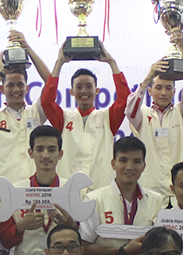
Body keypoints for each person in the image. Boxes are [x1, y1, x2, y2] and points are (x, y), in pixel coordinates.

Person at [79, 136, 165, 255]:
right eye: (123, 160)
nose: (129, 167)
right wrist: (122, 251)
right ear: (113, 163)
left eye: (137, 161)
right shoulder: (94, 200)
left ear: (144, 165)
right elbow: (82, 249)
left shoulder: (157, 200)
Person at [41, 42, 131, 192]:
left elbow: (125, 100)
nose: (84, 91)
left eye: (89, 86)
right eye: (79, 87)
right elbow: (46, 102)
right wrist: (59, 63)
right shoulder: (63, 119)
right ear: (71, 92)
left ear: (97, 91)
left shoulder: (107, 118)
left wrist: (111, 63)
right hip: (69, 192)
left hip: (101, 193)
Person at [125, 27, 183, 199]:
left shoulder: (181, 112)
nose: (164, 92)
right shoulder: (142, 114)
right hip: (148, 191)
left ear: (175, 91)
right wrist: (149, 76)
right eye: (158, 87)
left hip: (179, 192)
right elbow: (130, 111)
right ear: (150, 92)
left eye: (168, 88)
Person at [2, 125, 78, 255]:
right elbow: (3, 241)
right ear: (31, 153)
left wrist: (72, 227)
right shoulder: (15, 191)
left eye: (51, 150)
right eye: (40, 149)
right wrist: (21, 226)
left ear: (60, 154)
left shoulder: (74, 191)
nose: (45, 156)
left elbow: (85, 241)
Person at [0, 32, 51, 186]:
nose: (16, 89)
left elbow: (51, 83)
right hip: (2, 190)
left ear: (27, 88)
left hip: (34, 188)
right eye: (10, 85)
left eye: (20, 85)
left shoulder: (36, 112)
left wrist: (27, 49)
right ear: (2, 89)